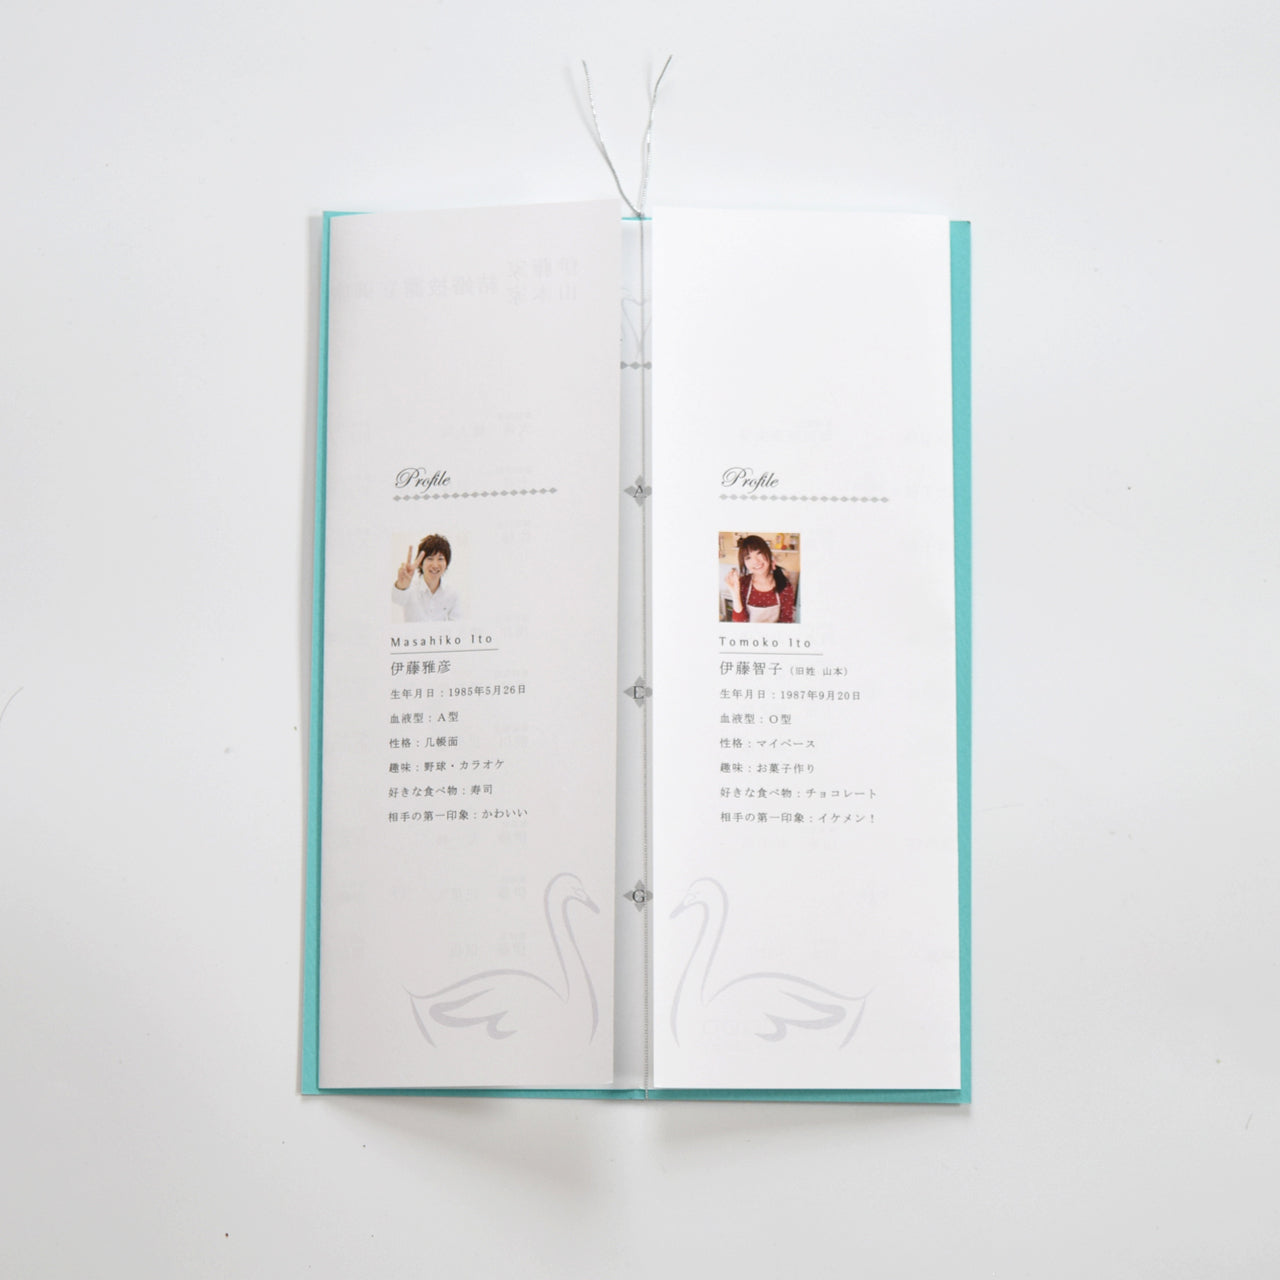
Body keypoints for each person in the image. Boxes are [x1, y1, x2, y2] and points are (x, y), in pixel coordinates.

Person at [725, 535, 795, 623]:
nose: (755, 561)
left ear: (768, 554)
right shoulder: (742, 583)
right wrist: (735, 592)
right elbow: (740, 623)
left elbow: (786, 622)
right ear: (744, 563)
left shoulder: (785, 586)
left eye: (759, 553)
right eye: (748, 557)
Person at [393, 534, 461, 621]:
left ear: (446, 563)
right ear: (421, 563)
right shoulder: (411, 589)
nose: (435, 565)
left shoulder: (452, 593)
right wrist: (401, 587)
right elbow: (397, 600)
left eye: (440, 559)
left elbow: (457, 625)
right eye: (430, 558)